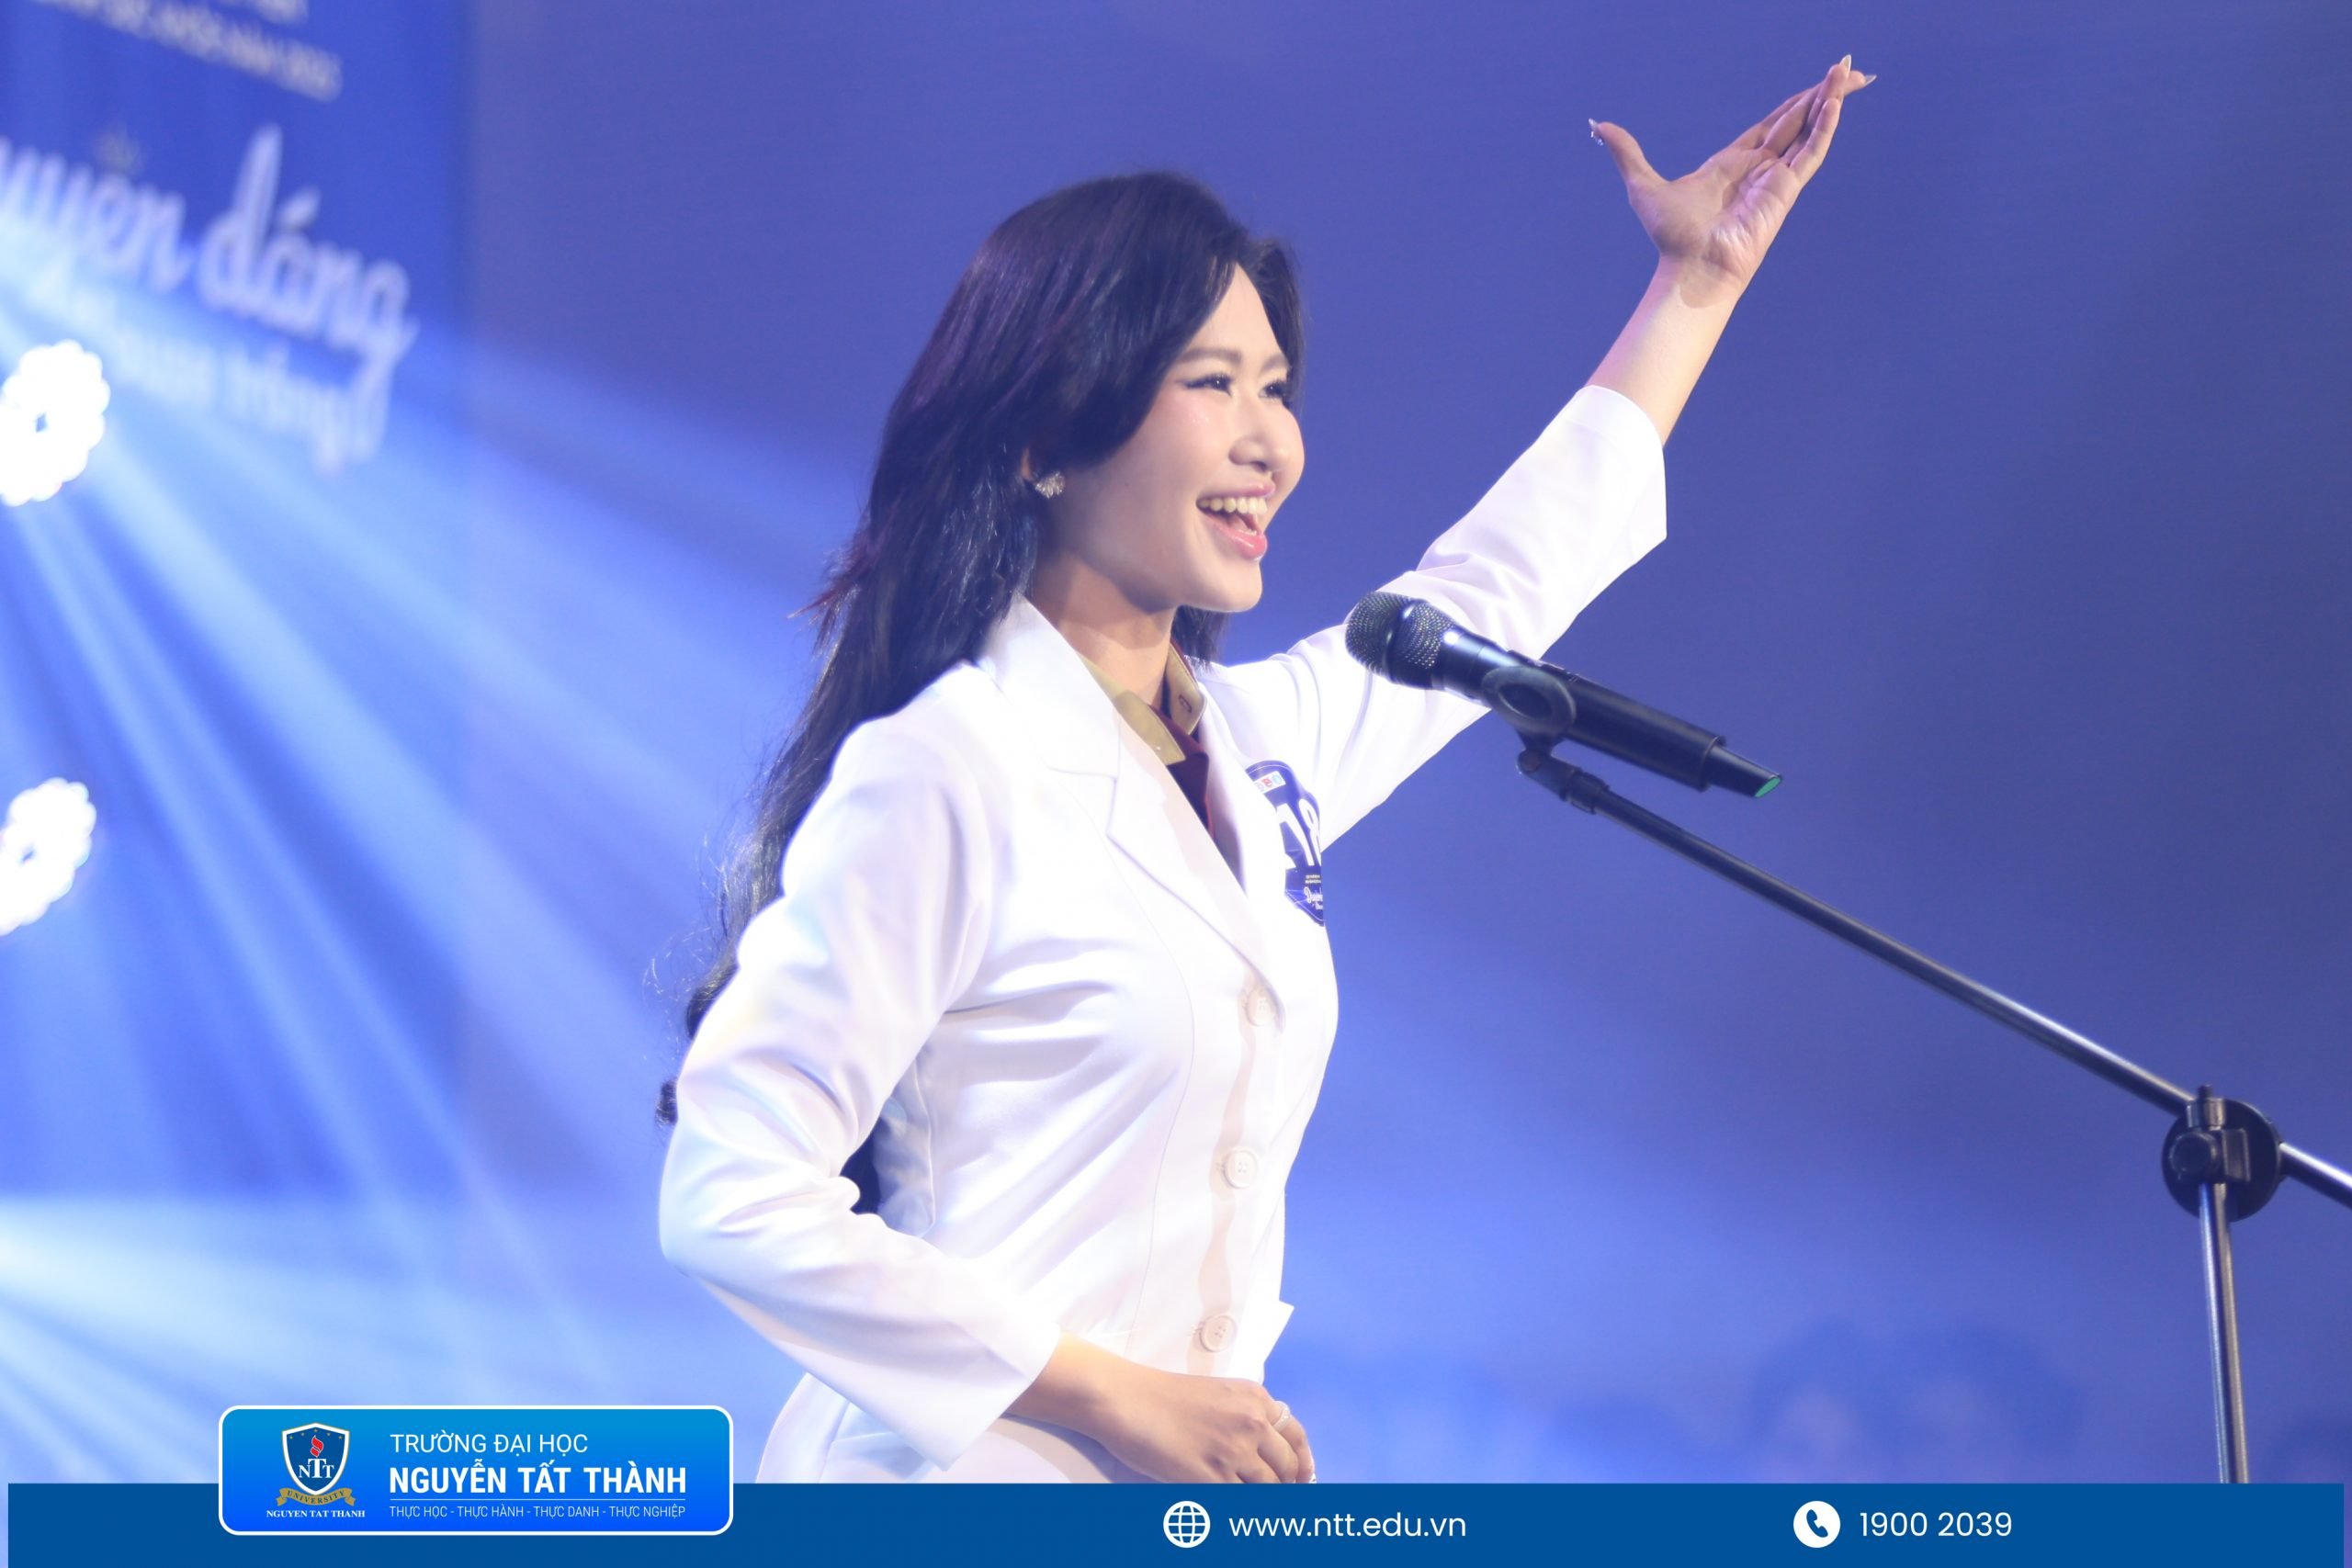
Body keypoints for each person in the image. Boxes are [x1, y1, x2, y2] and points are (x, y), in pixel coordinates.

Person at [657, 57, 1873, 1483]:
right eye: (1213, 383)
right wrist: (1117, 1397)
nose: (1270, 442)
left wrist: (1694, 290)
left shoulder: (1254, 748)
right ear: (1048, 436)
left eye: (1278, 389)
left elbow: (1504, 578)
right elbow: (731, 1194)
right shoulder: (947, 767)